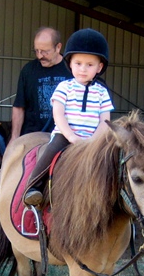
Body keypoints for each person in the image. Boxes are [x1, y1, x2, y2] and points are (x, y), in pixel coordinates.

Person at [23, 28, 114, 206]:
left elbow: (105, 120)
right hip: (65, 135)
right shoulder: (64, 87)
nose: (83, 69)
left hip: (93, 140)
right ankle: (33, 186)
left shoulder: (102, 92)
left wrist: (93, 140)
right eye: (78, 63)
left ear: (99, 67)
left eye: (89, 65)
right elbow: (58, 115)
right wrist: (71, 136)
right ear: (70, 64)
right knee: (49, 152)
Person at [11, 26, 71, 140]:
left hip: (64, 136)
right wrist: (14, 138)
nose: (39, 56)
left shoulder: (72, 71)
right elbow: (19, 107)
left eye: (45, 52)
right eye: (36, 51)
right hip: (32, 136)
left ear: (58, 47)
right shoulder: (28, 70)